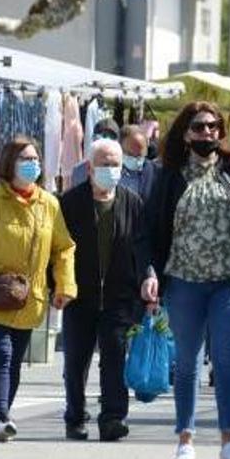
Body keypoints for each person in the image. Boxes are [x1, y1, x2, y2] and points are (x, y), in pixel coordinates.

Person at [139, 101, 230, 459]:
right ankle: (185, 440)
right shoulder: (166, 173)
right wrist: (150, 273)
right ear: (185, 132)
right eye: (200, 127)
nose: (208, 133)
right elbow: (150, 230)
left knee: (228, 354)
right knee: (187, 360)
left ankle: (229, 442)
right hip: (184, 280)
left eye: (214, 126)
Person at [0, 136, 76, 442]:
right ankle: (1, 416)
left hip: (29, 298)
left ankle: (3, 412)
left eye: (35, 159)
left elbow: (64, 248)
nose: (32, 165)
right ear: (9, 164)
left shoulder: (49, 204)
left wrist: (65, 284)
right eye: (25, 159)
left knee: (15, 358)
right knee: (2, 354)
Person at [59, 138, 146, 442]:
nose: (109, 169)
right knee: (75, 361)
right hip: (78, 295)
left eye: (115, 164)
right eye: (103, 163)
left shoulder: (132, 202)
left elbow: (142, 248)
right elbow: (57, 248)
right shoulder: (69, 203)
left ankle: (112, 417)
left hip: (119, 296)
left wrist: (146, 281)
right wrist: (57, 285)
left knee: (114, 357)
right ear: (90, 168)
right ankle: (75, 417)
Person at [69, 119, 123, 188]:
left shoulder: (124, 171)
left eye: (111, 136)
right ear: (94, 139)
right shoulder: (79, 170)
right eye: (102, 136)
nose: (106, 140)